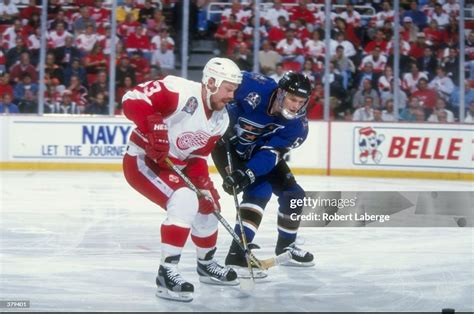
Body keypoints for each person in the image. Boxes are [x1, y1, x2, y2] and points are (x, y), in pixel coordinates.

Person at [121, 58, 242, 302]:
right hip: (142, 160)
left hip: (176, 167)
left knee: (209, 205)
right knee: (185, 199)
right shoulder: (179, 91)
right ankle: (167, 273)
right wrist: (153, 126)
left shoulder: (221, 119)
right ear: (211, 82)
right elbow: (131, 99)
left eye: (234, 90)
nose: (232, 95)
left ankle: (206, 264)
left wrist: (204, 186)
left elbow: (197, 157)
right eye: (228, 89)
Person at [211, 71, 315, 276]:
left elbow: (270, 156)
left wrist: (247, 173)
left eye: (301, 101)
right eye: (293, 99)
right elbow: (218, 88)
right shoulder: (253, 86)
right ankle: (237, 255)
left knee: (294, 195)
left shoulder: (297, 126)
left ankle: (286, 247)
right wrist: (219, 120)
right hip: (227, 148)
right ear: (280, 92)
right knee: (260, 192)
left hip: (258, 154)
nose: (296, 106)